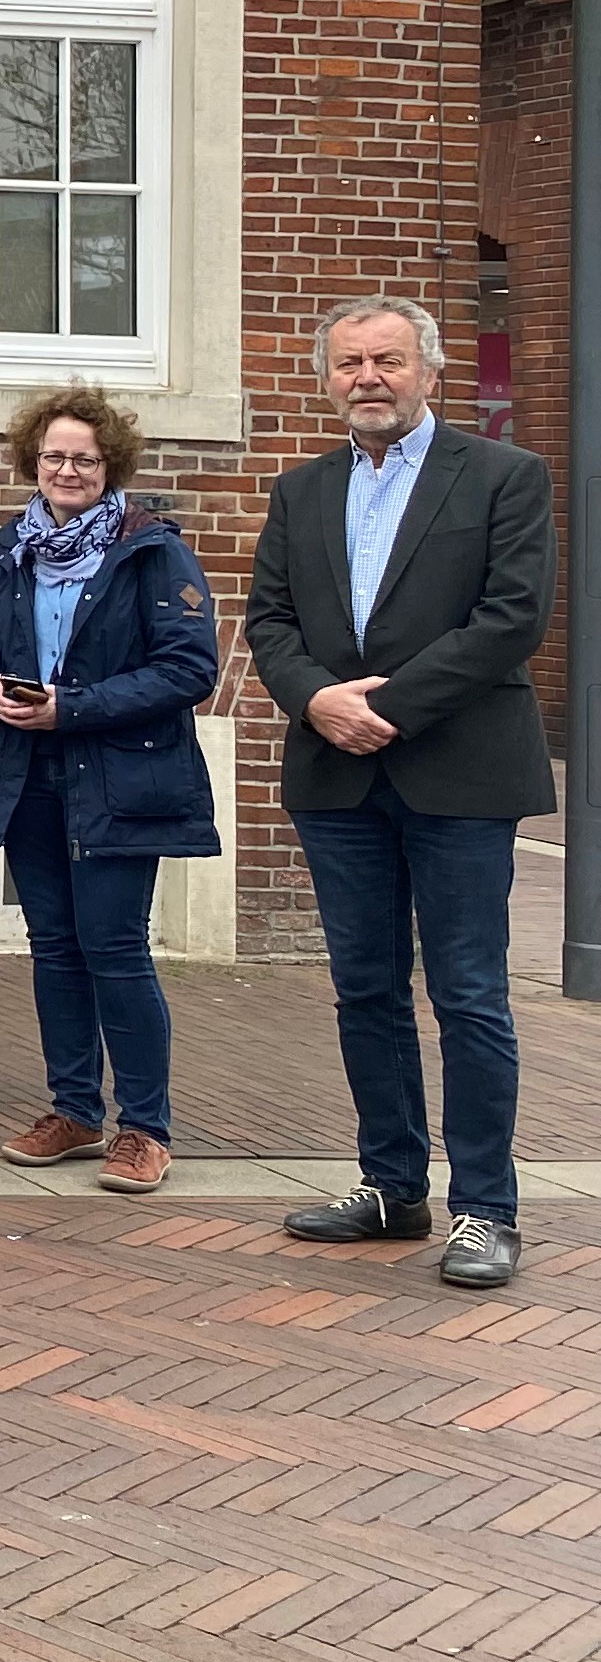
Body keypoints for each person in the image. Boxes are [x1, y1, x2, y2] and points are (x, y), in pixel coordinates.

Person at [252, 294, 553, 1290]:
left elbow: (513, 617)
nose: (367, 379)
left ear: (428, 369)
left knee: (468, 995)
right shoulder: (300, 491)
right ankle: (391, 1186)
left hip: (458, 772)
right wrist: (316, 701)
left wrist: (383, 707)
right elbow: (271, 621)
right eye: (348, 364)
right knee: (366, 990)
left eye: (386, 360)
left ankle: (485, 1209)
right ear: (327, 379)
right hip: (337, 779)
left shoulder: (506, 476)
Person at [0, 386, 221, 1198]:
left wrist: (72, 708)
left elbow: (189, 670)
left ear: (109, 467)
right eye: (53, 457)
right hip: (26, 777)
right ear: (32, 462)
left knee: (114, 949)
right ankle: (73, 1111)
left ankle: (145, 1127)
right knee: (55, 949)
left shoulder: (151, 551)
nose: (66, 470)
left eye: (83, 458)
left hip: (117, 780)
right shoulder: (11, 547)